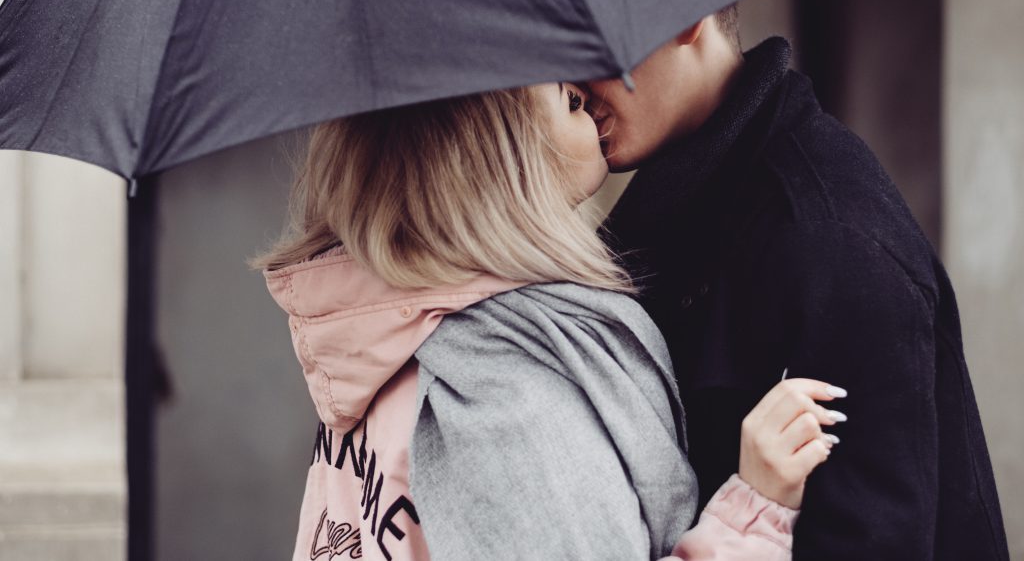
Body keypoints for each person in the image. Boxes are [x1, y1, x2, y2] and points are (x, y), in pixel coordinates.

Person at [250, 85, 846, 560]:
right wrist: (753, 515)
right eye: (565, 95)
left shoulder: (391, 341)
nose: (587, 89)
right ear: (494, 156)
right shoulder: (507, 394)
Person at [593, 9, 1010, 560]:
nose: (567, 85)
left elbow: (874, 542)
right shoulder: (684, 205)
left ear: (681, 15)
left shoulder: (826, 236)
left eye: (583, 42)